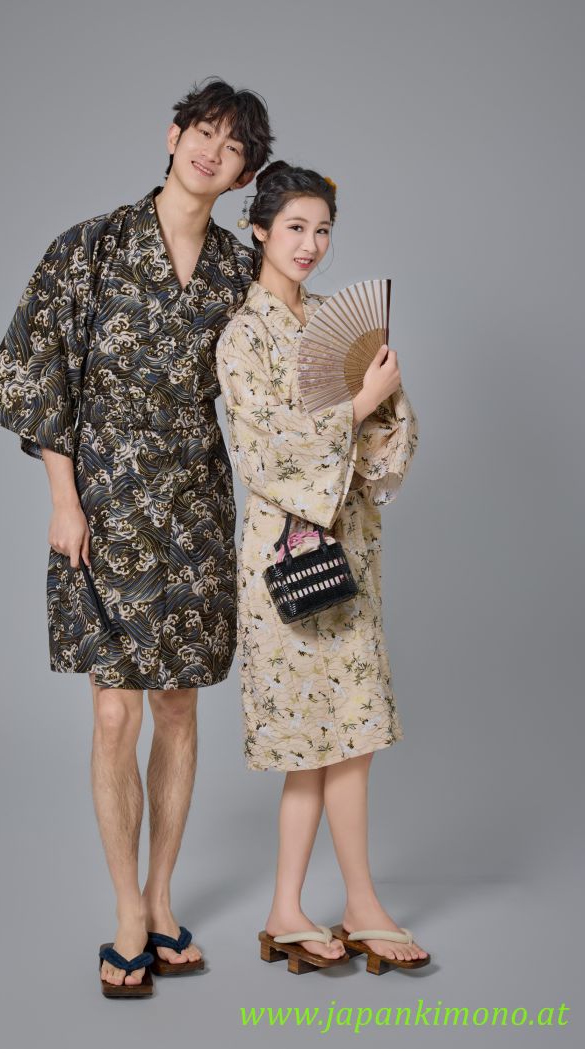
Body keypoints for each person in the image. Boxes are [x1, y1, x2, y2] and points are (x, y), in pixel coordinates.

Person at [0, 77, 274, 996]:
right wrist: (63, 501)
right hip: (103, 511)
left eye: (232, 146)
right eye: (202, 131)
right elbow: (42, 376)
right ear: (173, 134)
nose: (210, 151)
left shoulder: (237, 272)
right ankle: (126, 913)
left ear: (243, 174)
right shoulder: (89, 247)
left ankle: (163, 896)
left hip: (196, 509)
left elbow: (277, 377)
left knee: (178, 708)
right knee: (114, 712)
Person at [215, 161, 429, 976]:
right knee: (306, 740)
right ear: (260, 229)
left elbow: (385, 449)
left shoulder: (333, 321)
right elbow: (267, 453)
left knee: (354, 733)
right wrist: (361, 403)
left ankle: (342, 904)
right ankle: (297, 906)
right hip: (288, 552)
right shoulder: (244, 335)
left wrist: (387, 402)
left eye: (323, 230)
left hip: (352, 546)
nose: (310, 244)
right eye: (295, 227)